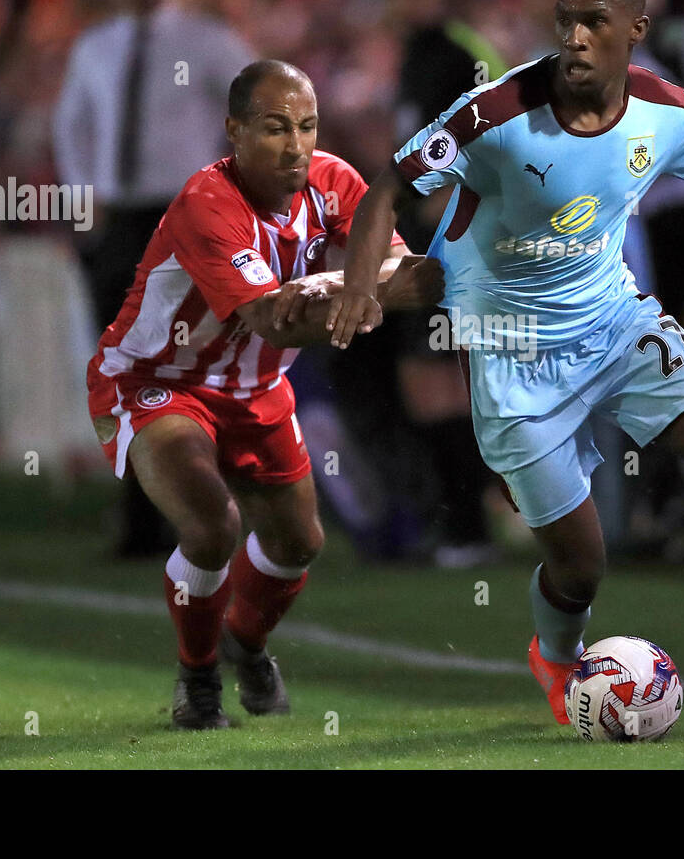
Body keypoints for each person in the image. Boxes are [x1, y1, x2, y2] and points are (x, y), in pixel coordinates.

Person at [328, 0, 684, 725]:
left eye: (595, 20)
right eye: (565, 19)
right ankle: (557, 659)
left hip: (616, 321)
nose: (577, 36)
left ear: (635, 31)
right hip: (510, 347)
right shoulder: (493, 112)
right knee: (581, 567)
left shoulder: (672, 114)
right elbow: (388, 187)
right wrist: (360, 287)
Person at [85, 60, 442, 729]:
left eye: (307, 126)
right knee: (212, 523)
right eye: (276, 128)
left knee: (299, 542)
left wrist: (355, 287)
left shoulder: (335, 181)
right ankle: (197, 679)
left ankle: (245, 643)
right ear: (235, 132)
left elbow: (409, 272)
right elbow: (275, 318)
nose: (297, 145)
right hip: (158, 380)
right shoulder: (206, 203)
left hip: (257, 386)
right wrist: (362, 289)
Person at [55, 0, 255, 557]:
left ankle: (193, 510)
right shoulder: (95, 45)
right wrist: (85, 196)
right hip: (120, 221)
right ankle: (142, 518)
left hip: (183, 220)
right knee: (122, 368)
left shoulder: (208, 41)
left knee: (180, 364)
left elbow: (257, 115)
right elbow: (73, 126)